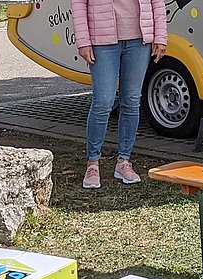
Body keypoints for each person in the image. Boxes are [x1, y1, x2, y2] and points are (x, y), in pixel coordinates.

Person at [72, 0, 167, 188]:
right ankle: (93, 163)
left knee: (131, 101)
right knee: (103, 102)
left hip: (139, 40)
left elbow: (157, 2)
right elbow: (78, 3)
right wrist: (83, 41)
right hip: (102, 40)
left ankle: (124, 161)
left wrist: (161, 36)